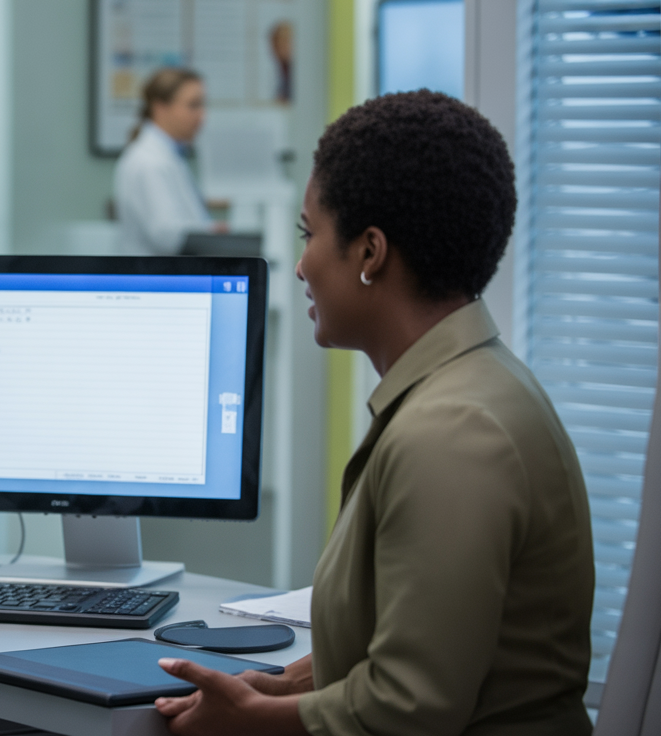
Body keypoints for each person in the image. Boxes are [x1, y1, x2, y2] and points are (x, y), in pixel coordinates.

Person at [154, 91, 595, 735]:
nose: (301, 266)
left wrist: (257, 722)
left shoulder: (451, 434)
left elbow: (409, 706)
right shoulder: (468, 385)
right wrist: (284, 684)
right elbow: (410, 640)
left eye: (310, 235)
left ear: (370, 253)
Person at [114, 68, 222, 255]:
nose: (202, 116)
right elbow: (167, 236)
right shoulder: (147, 161)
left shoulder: (169, 155)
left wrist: (209, 231)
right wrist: (212, 234)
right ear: (160, 107)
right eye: (193, 105)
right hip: (154, 279)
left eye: (202, 105)